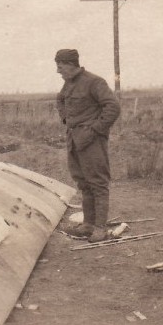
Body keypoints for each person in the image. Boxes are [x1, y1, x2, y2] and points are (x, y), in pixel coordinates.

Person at [55, 48, 121, 241]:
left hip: (92, 141)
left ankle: (100, 228)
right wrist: (66, 119)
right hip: (74, 141)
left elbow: (113, 107)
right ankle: (88, 225)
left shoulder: (94, 82)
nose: (58, 71)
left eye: (60, 66)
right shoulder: (68, 84)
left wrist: (95, 130)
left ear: (70, 64)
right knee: (84, 183)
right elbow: (60, 100)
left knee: (98, 183)